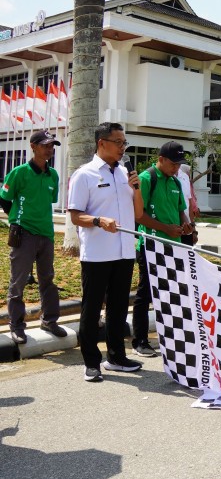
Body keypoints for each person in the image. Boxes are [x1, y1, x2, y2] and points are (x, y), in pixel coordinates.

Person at [68, 122, 144, 382]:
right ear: (102, 143)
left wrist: (136, 188)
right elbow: (76, 216)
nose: (124, 148)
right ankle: (91, 362)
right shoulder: (85, 174)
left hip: (124, 251)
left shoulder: (125, 173)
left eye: (125, 143)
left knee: (119, 307)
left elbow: (138, 214)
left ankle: (117, 357)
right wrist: (99, 221)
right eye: (119, 142)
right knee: (91, 309)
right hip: (98, 253)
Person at [0, 130, 66, 344]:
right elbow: (5, 199)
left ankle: (49, 320)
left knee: (47, 279)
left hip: (46, 234)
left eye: (52, 146)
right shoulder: (19, 172)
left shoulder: (53, 175)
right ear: (33, 146)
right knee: (18, 282)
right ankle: (17, 325)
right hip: (24, 234)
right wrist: (16, 220)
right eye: (46, 145)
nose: (49, 149)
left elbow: (49, 200)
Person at [130, 142, 193, 357]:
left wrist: (186, 225)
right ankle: (139, 340)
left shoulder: (175, 181)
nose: (176, 168)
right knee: (145, 293)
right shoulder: (147, 179)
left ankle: (169, 337)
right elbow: (139, 215)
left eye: (179, 164)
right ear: (161, 159)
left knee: (170, 292)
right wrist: (166, 228)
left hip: (173, 246)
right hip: (150, 245)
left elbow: (181, 210)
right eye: (173, 163)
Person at [177, 163, 199, 246]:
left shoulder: (185, 177)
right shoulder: (166, 178)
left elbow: (189, 205)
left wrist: (194, 230)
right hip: (172, 229)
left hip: (187, 229)